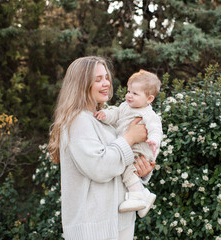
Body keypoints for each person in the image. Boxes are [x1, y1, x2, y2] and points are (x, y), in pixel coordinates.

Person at [48, 56, 155, 240]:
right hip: (93, 229)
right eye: (98, 79)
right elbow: (99, 167)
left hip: (118, 223)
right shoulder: (78, 120)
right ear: (81, 84)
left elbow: (119, 165)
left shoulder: (103, 119)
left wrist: (141, 170)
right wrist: (129, 137)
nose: (106, 83)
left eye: (106, 77)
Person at [94, 70, 162, 218]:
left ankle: (137, 196)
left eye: (135, 94)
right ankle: (143, 196)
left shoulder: (148, 114)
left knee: (128, 169)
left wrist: (154, 141)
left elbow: (156, 130)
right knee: (128, 168)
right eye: (129, 91)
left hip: (141, 149)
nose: (129, 95)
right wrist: (105, 115)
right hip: (128, 146)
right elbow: (116, 114)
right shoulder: (125, 106)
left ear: (149, 98)